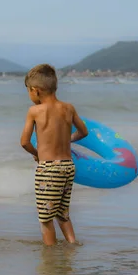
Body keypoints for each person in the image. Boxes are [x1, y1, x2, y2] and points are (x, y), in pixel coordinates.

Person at [19, 64, 88, 246]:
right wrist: (67, 140)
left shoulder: (34, 111)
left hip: (49, 169)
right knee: (63, 213)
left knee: (46, 218)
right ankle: (72, 245)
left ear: (36, 91)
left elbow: (24, 142)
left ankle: (50, 256)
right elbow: (83, 132)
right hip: (67, 166)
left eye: (28, 91)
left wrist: (37, 155)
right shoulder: (68, 108)